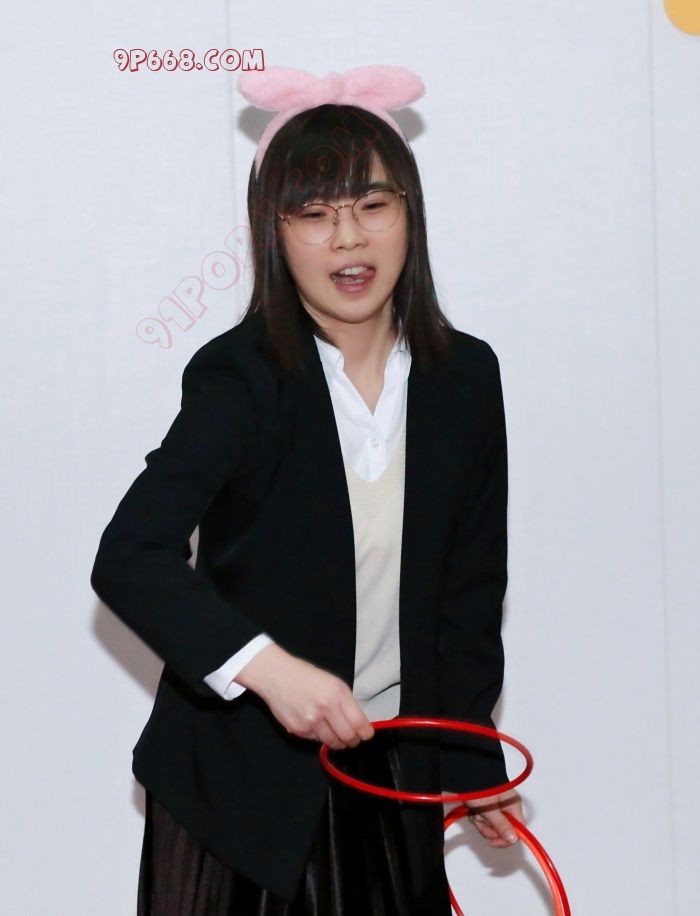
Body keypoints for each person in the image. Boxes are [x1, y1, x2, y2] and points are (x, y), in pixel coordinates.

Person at [90, 64, 524, 915]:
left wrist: (472, 763)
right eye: (315, 214)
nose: (349, 239)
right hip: (240, 792)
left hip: (388, 768)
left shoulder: (465, 377)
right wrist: (272, 672)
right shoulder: (239, 378)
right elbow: (130, 558)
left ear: (410, 216)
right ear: (274, 233)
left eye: (373, 205)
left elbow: (469, 596)